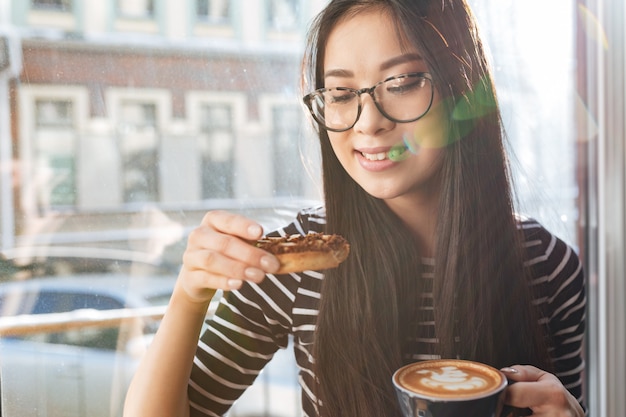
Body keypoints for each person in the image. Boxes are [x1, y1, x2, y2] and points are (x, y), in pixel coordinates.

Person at [124, 1, 586, 416]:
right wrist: (190, 294)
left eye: (402, 83)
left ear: (461, 90)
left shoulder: (548, 266)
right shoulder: (294, 264)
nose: (368, 123)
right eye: (342, 95)